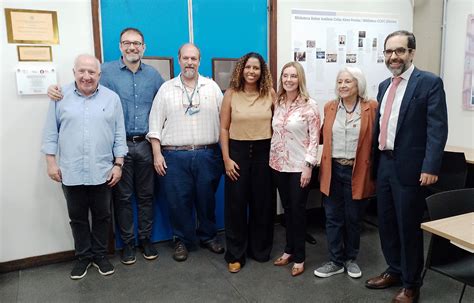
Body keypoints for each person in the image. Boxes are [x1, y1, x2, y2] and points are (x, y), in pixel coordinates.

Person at [48, 28, 164, 265]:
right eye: (127, 43)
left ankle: (145, 239)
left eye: (137, 44)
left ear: (144, 47)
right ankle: (128, 244)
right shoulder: (106, 72)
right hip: (116, 148)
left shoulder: (153, 76)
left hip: (144, 144)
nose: (132, 47)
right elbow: (82, 85)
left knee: (146, 196)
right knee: (121, 198)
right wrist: (54, 89)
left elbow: (165, 104)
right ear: (120, 46)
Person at [365, 30, 448, 303]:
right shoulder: (383, 86)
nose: (393, 57)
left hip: (412, 169)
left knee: (408, 227)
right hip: (385, 165)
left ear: (411, 53)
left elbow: (437, 129)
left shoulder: (429, 83)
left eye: (399, 51)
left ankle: (412, 283)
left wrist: (430, 166)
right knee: (386, 223)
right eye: (389, 52)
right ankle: (395, 270)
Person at [42, 54, 127, 280]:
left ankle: (99, 256)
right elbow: (51, 133)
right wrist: (51, 162)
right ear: (74, 72)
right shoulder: (60, 97)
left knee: (102, 217)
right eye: (82, 71)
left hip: (103, 171)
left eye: (91, 72)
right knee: (77, 218)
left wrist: (118, 164)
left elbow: (120, 136)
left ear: (99, 75)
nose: (86, 76)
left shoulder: (112, 99)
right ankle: (83, 257)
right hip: (71, 172)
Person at [147, 43, 225, 262]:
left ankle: (208, 236)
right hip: (173, 156)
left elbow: (224, 124)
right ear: (179, 60)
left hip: (207, 155)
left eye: (194, 58)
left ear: (199, 61)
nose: (190, 62)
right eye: (186, 58)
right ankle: (181, 240)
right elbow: (154, 124)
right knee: (178, 201)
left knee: (206, 199)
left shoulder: (212, 87)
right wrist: (157, 154)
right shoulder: (166, 89)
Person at [313, 66, 377, 279]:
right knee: (332, 217)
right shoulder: (330, 107)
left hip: (357, 171)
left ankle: (351, 259)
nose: (342, 85)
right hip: (332, 169)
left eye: (348, 81)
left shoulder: (371, 107)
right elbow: (322, 135)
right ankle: (335, 261)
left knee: (353, 218)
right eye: (340, 81)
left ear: (358, 84)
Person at [220, 52, 276, 273]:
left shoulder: (270, 93)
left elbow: (279, 125)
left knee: (263, 205)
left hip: (265, 154)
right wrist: (226, 159)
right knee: (236, 206)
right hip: (237, 154)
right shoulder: (231, 94)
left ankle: (260, 249)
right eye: (248, 67)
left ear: (262, 72)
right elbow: (224, 128)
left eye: (256, 68)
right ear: (241, 70)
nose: (252, 72)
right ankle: (235, 254)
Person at [269, 62, 320, 277]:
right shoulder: (278, 102)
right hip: (278, 164)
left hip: (300, 166)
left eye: (293, 76)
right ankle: (289, 249)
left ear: (300, 79)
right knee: (288, 210)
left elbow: (315, 139)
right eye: (285, 76)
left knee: (298, 212)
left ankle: (300, 257)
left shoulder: (310, 105)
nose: (288, 80)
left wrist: (308, 167)